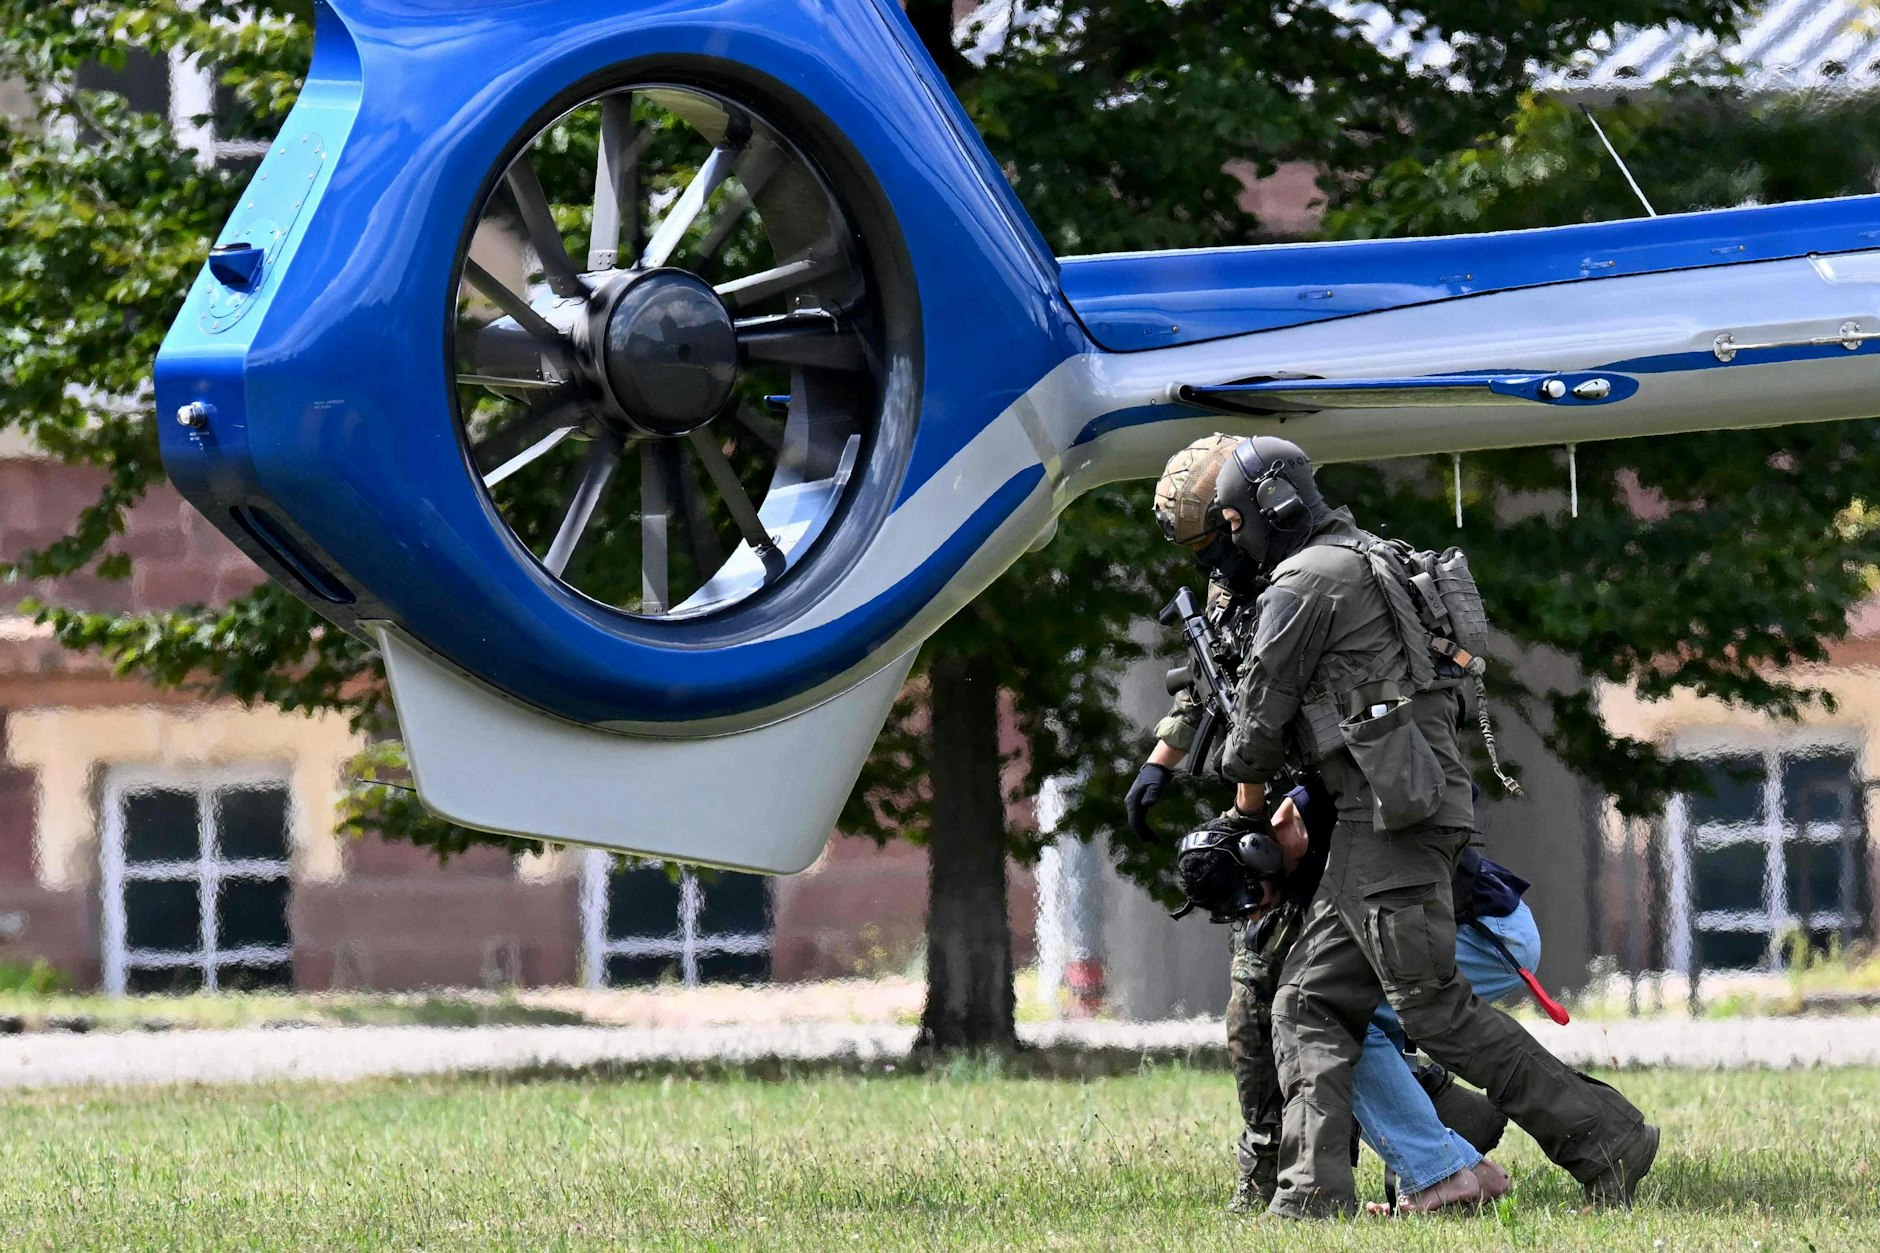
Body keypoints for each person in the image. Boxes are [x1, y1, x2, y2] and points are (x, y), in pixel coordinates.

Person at [1197, 434, 1657, 1219]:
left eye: (1236, 524)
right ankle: (1311, 1194)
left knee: (1431, 1007)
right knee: (1306, 999)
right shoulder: (1372, 553)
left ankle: (1605, 1136)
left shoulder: (1304, 581)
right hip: (1393, 817)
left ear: (1270, 510)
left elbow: (1257, 729)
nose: (1234, 542)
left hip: (1389, 824)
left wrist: (1231, 808)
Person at [1131, 435, 1513, 1214]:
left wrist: (1251, 839)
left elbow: (1264, 728)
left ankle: (1397, 1163)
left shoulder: (1310, 581)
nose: (1216, 556)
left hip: (1333, 810)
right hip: (1307, 808)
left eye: (1218, 537)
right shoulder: (1241, 591)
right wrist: (1161, 762)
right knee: (1279, 1007)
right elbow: (1211, 689)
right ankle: (1402, 1152)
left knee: (1306, 1005)